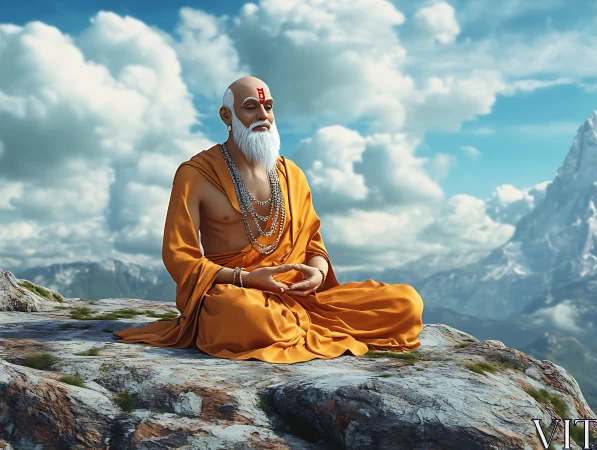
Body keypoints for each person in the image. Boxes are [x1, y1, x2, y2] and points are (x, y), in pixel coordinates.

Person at [114, 76, 424, 364]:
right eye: (251, 107)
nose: (263, 115)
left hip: (299, 298)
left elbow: (314, 245)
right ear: (227, 116)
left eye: (268, 106)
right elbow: (179, 256)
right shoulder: (195, 175)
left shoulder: (292, 175)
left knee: (406, 303)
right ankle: (284, 325)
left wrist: (316, 275)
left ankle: (296, 324)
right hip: (235, 292)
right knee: (247, 316)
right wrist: (246, 279)